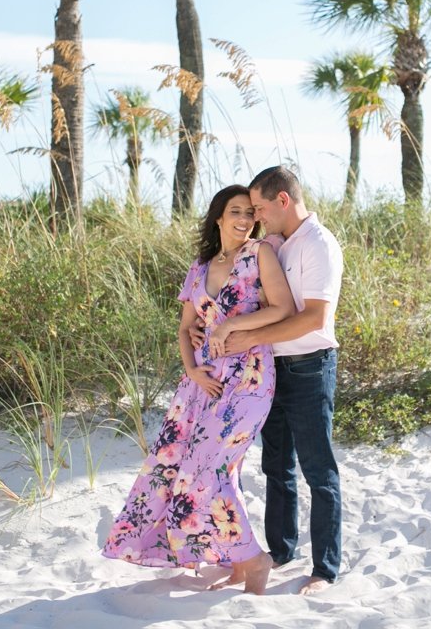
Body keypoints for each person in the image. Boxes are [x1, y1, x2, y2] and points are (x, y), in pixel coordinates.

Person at [102, 184, 295, 596]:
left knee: (210, 469)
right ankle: (236, 562)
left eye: (250, 213)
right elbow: (184, 327)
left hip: (248, 376)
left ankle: (254, 560)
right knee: (174, 465)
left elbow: (283, 309)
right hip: (201, 382)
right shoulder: (200, 266)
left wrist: (229, 325)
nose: (245, 220)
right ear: (219, 218)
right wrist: (192, 371)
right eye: (236, 212)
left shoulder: (260, 254)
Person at [210, 166, 344, 596]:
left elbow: (313, 317)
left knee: (318, 470)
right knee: (276, 467)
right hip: (270, 371)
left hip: (308, 366)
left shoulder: (318, 245)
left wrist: (247, 336)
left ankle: (324, 569)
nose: (258, 216)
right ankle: (281, 552)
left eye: (262, 208)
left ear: (283, 201)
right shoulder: (272, 244)